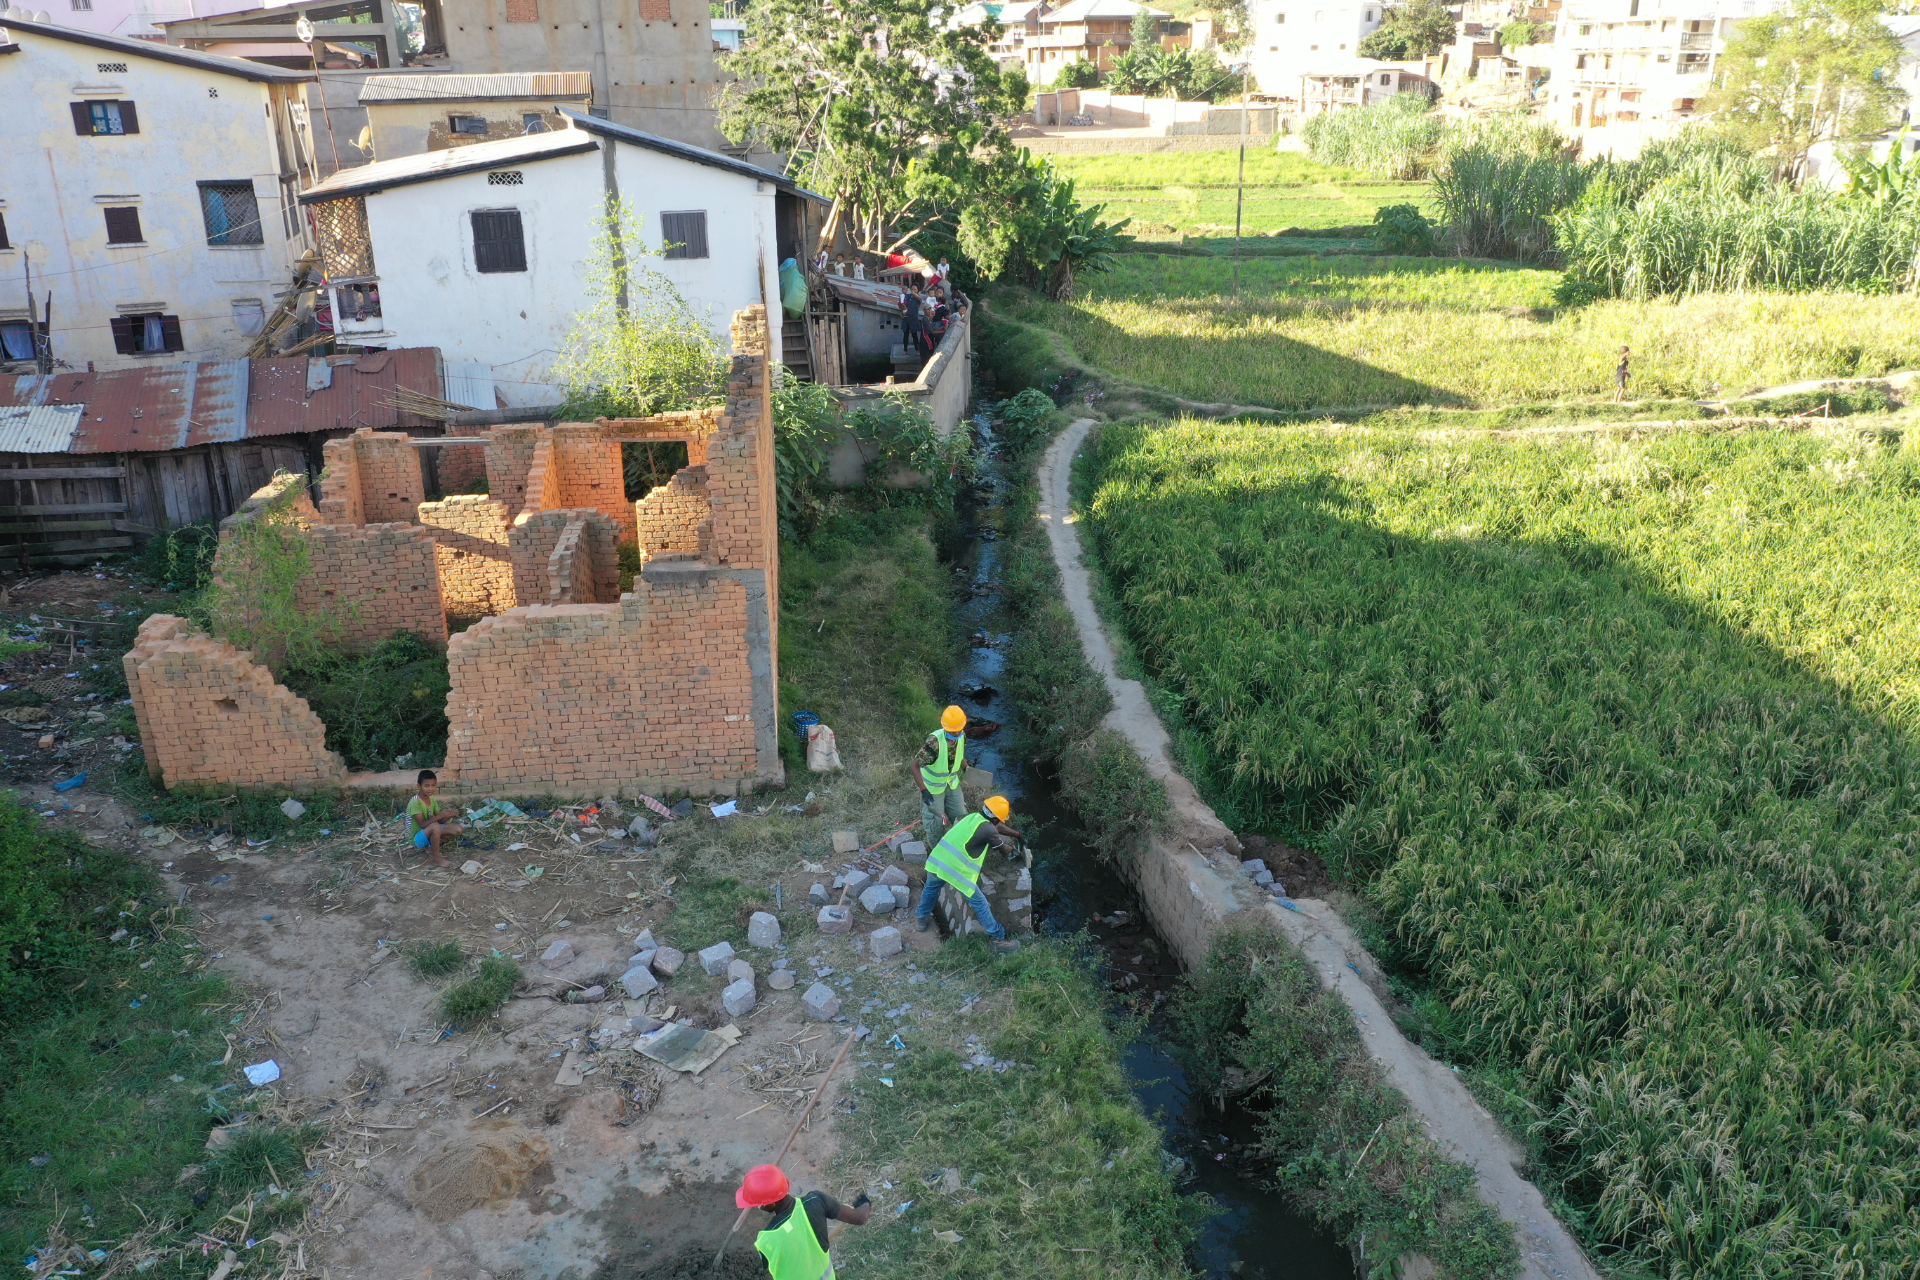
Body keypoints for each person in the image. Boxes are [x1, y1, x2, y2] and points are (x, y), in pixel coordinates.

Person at [917, 795, 1022, 954]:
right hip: (957, 870)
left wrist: (1017, 834)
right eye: (1000, 819)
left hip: (939, 860)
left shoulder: (973, 817)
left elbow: (996, 828)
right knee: (980, 903)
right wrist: (1014, 851)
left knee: (931, 889)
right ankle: (998, 938)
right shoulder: (988, 830)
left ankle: (921, 918)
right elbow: (1003, 849)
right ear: (995, 819)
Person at [736, 1165, 870, 1280]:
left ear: (770, 1204)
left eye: (759, 1204)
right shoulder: (817, 1202)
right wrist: (865, 1202)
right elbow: (860, 1217)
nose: (757, 1207)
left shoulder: (766, 1240)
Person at [916, 704, 969, 837]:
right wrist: (924, 790)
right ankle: (937, 852)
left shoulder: (962, 736)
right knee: (936, 824)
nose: (956, 733)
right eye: (953, 731)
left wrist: (967, 769)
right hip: (932, 789)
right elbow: (914, 765)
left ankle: (956, 846)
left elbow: (960, 755)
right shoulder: (934, 743)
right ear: (945, 727)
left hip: (951, 784)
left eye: (959, 730)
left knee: (961, 817)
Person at [408, 769, 462, 868]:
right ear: (418, 786)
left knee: (458, 829)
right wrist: (440, 816)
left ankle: (430, 846)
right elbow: (422, 824)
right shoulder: (415, 802)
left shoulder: (431, 799)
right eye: (426, 786)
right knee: (435, 827)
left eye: (433, 785)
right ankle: (437, 859)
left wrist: (448, 815)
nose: (430, 789)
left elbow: (439, 820)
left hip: (429, 830)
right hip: (417, 838)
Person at [900, 279, 927, 357]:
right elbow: (902, 304)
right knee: (905, 335)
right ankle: (905, 349)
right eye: (912, 289)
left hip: (914, 319)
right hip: (905, 318)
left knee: (914, 335)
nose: (913, 290)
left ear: (918, 290)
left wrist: (914, 294)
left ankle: (917, 349)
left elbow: (919, 299)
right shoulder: (907, 296)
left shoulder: (918, 298)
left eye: (915, 289)